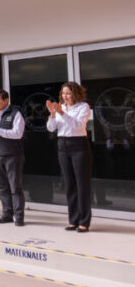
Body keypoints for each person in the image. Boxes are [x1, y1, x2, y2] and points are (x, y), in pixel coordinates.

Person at [46, 81, 92, 233]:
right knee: (69, 184)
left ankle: (84, 221)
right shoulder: (61, 107)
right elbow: (51, 128)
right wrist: (53, 115)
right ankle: (73, 220)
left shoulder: (83, 107)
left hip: (78, 145)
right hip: (62, 145)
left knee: (82, 184)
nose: (65, 96)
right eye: (63, 93)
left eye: (68, 93)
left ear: (75, 94)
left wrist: (61, 113)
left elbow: (77, 125)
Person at [0, 89, 26, 227]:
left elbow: (18, 133)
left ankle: (19, 217)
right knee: (2, 188)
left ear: (6, 100)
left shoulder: (16, 114)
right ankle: (7, 215)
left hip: (13, 155)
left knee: (15, 187)